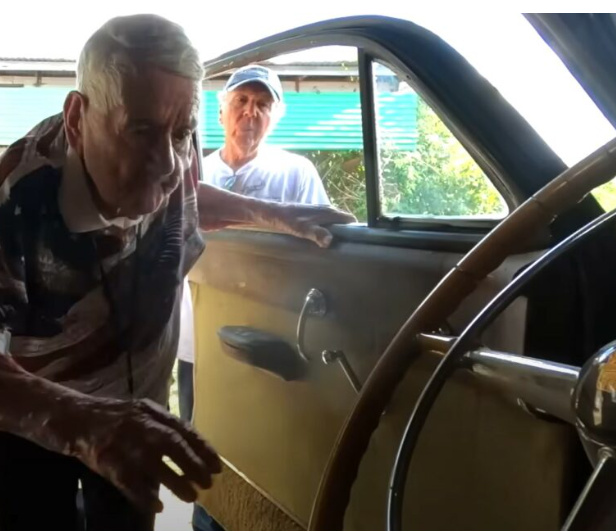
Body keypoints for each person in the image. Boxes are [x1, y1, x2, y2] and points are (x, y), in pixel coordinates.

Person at [0, 14, 354, 531]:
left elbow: (182, 197)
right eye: (140, 131)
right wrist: (82, 421)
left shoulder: (169, 143)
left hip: (138, 413)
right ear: (77, 119)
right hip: (37, 414)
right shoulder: (13, 198)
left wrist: (274, 213)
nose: (170, 162)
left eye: (183, 132)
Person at [176, 64, 333, 531]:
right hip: (196, 341)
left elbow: (319, 249)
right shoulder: (195, 171)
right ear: (221, 112)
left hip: (268, 341)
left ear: (276, 116)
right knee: (201, 445)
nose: (251, 112)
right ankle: (206, 520)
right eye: (241, 102)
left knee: (264, 448)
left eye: (263, 104)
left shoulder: (296, 173)